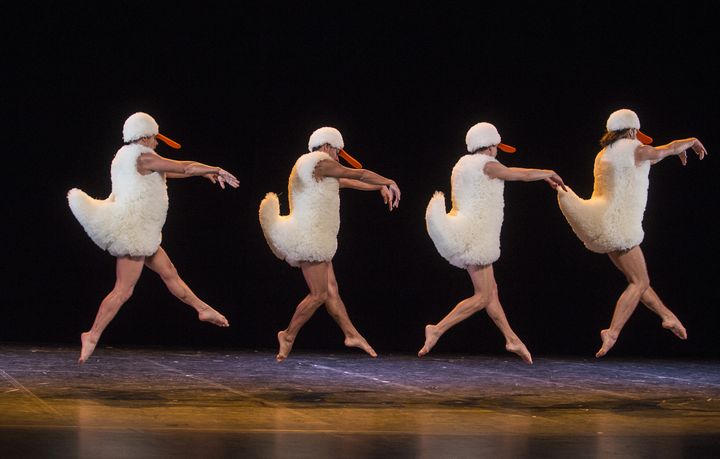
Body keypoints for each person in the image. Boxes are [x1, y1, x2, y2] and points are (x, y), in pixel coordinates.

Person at [67, 112, 240, 364]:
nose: (157, 143)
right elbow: (184, 166)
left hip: (142, 231)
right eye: (154, 139)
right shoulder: (143, 156)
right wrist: (215, 168)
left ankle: (202, 309)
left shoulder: (125, 158)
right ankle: (91, 335)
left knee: (169, 272)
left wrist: (201, 174)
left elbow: (169, 173)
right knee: (123, 290)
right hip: (134, 231)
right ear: (146, 137)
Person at [557, 108, 707, 357]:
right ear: (631, 130)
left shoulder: (603, 153)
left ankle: (667, 316)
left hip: (601, 223)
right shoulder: (634, 150)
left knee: (637, 280)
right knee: (641, 282)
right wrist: (689, 141)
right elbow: (666, 149)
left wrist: (677, 148)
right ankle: (612, 332)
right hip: (620, 226)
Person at [421, 122, 566, 364]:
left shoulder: (461, 165)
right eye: (496, 147)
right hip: (475, 237)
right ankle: (436, 329)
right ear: (490, 146)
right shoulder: (486, 165)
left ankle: (512, 339)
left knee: (491, 292)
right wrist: (547, 172)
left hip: (464, 231)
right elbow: (520, 174)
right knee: (483, 296)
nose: (497, 151)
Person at [259, 126, 401, 362]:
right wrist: (389, 180)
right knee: (319, 294)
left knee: (332, 290)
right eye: (337, 152)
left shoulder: (320, 170)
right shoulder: (318, 162)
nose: (337, 156)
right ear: (327, 147)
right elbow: (359, 174)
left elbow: (351, 181)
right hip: (309, 238)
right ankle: (288, 335)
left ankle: (350, 334)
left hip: (315, 237)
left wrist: (380, 187)